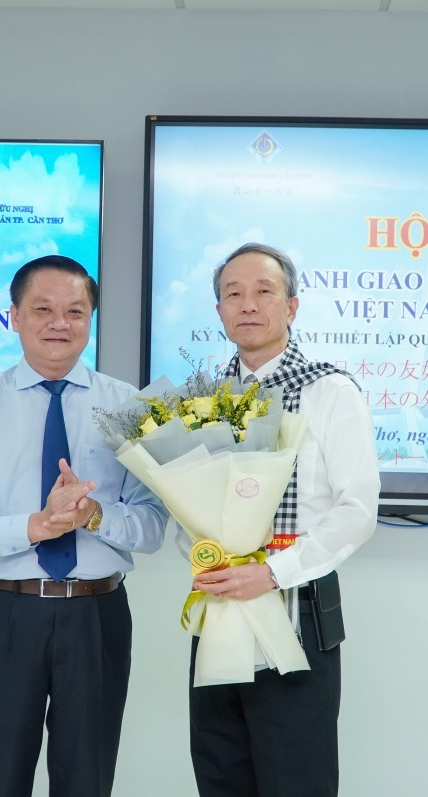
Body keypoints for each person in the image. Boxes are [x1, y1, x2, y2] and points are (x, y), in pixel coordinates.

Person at [0, 254, 168, 797]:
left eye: (75, 311)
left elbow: (154, 527)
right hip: (2, 615)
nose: (59, 323)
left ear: (90, 321)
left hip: (96, 615)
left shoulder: (129, 407)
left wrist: (95, 516)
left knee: (87, 781)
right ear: (15, 316)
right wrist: (34, 526)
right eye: (43, 309)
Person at [183, 242, 380, 797]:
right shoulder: (201, 401)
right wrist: (207, 558)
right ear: (219, 311)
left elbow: (358, 510)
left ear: (291, 306)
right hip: (218, 614)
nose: (248, 305)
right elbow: (188, 510)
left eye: (264, 292)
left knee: (297, 780)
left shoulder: (331, 391)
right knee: (220, 776)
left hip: (300, 616)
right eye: (233, 294)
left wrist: (269, 573)